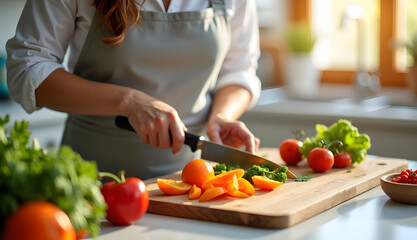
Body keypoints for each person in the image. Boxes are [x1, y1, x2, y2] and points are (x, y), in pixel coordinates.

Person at [6, 0, 262, 179]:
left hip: (188, 184)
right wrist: (128, 101)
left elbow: (239, 70)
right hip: (91, 181)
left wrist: (223, 116)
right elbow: (26, 70)